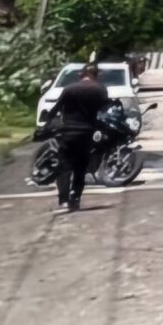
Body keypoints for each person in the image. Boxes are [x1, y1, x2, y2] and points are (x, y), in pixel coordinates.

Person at [50, 58, 109, 212]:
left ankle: (64, 200)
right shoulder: (100, 89)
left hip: (68, 132)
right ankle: (75, 198)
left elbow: (56, 108)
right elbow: (104, 109)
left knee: (63, 167)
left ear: (82, 74)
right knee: (80, 168)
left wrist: (48, 121)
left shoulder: (70, 89)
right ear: (96, 75)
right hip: (86, 133)